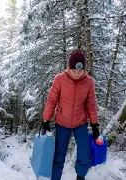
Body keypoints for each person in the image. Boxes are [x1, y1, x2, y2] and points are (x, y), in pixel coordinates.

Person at [42, 49, 100, 180]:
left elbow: (91, 104)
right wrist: (46, 120)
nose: (77, 74)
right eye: (74, 70)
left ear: (84, 69)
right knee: (59, 156)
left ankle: (81, 177)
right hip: (62, 123)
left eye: (80, 70)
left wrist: (95, 125)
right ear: (69, 68)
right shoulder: (60, 79)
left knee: (85, 155)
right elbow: (52, 100)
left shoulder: (89, 82)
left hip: (80, 123)